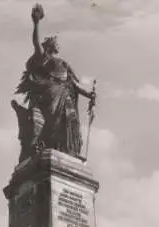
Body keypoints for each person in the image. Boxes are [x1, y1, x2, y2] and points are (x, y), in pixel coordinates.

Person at [16, 4, 96, 157]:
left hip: (66, 94)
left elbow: (74, 84)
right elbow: (36, 43)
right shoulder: (45, 59)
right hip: (52, 93)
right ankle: (48, 145)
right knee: (54, 122)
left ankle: (68, 151)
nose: (58, 44)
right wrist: (36, 23)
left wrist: (89, 94)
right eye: (55, 42)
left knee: (70, 121)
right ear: (50, 46)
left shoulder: (64, 63)